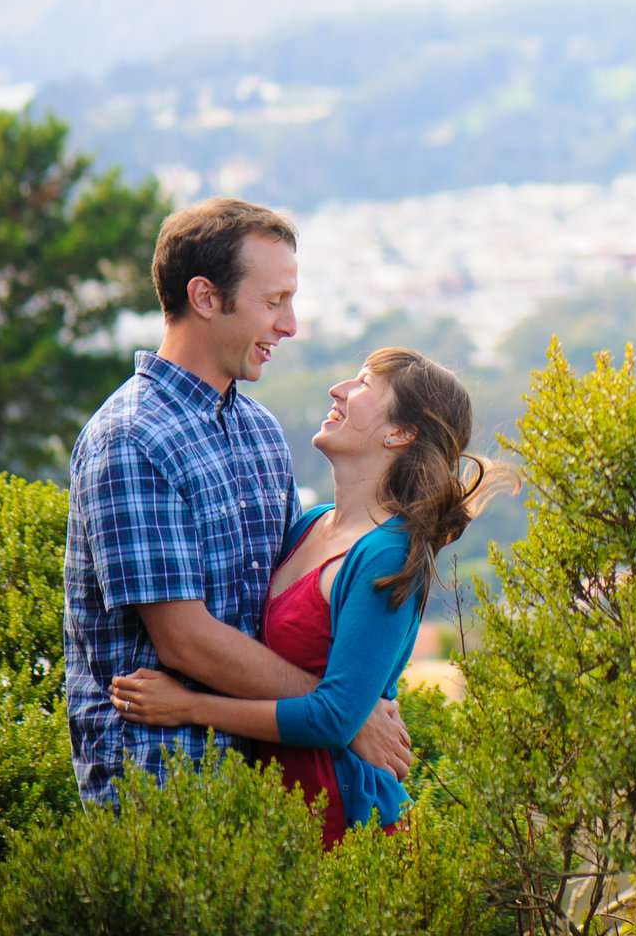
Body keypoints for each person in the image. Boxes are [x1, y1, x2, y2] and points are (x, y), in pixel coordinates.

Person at [63, 198, 410, 805]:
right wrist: (345, 717)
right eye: (273, 302)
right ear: (205, 297)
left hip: (269, 787)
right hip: (160, 788)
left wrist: (354, 695)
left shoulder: (260, 432)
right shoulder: (132, 438)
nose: (289, 324)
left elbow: (289, 604)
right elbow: (185, 640)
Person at [111, 347, 494, 844]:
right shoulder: (309, 526)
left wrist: (188, 706)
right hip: (279, 814)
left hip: (344, 825)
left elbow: (332, 720)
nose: (339, 389)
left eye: (364, 386)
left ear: (399, 434)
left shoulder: (388, 554)